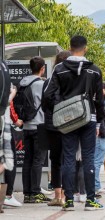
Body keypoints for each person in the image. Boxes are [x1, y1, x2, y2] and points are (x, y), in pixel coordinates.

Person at [44, 35, 105, 211]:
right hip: (88, 118)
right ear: (85, 48)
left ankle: (68, 201)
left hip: (67, 119)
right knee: (88, 159)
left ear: (70, 48)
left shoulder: (59, 69)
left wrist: (57, 110)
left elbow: (48, 95)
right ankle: (90, 200)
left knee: (68, 159)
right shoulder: (95, 70)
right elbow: (100, 100)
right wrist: (99, 122)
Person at [42, 50, 71, 207]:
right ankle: (67, 196)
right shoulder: (72, 80)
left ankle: (57, 196)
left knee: (55, 160)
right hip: (69, 124)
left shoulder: (48, 81)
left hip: (53, 124)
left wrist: (52, 112)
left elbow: (44, 102)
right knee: (68, 159)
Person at [21, 56, 50, 203]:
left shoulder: (23, 83)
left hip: (26, 125)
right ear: (42, 68)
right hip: (40, 125)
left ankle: (27, 194)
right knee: (38, 160)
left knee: (28, 159)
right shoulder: (42, 84)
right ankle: (36, 193)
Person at [3, 85, 23, 207]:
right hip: (4, 125)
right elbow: (7, 103)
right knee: (10, 160)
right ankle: (8, 195)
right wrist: (13, 93)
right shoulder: (3, 77)